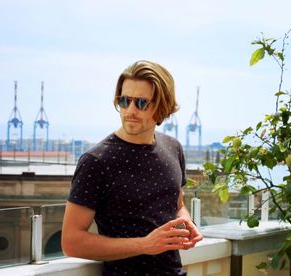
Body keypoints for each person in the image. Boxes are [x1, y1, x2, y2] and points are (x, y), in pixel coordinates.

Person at [62, 60, 203, 275]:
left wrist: (184, 220)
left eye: (142, 103)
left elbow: (177, 204)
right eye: (125, 101)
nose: (130, 110)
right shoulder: (96, 161)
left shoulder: (173, 148)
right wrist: (145, 244)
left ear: (162, 105)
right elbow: (72, 242)